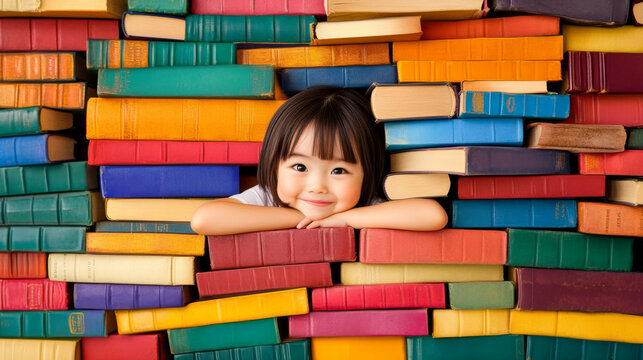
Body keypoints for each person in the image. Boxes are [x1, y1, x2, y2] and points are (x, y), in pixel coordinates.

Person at [191, 86, 448, 235]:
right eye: (300, 167)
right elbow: (204, 219)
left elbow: (432, 215)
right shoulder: (268, 197)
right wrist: (296, 218)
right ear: (274, 165)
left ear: (366, 173)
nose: (317, 186)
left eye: (339, 170)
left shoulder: (362, 206)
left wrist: (346, 219)